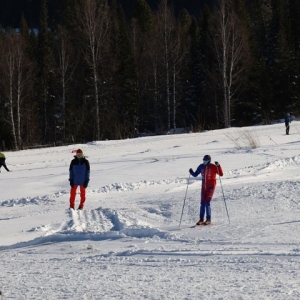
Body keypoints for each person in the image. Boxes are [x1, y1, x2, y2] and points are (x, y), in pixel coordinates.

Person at [189, 154, 223, 225]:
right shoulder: (201, 166)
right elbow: (195, 174)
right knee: (202, 203)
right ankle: (201, 219)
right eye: (203, 160)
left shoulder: (213, 166)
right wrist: (191, 172)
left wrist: (218, 166)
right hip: (204, 188)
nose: (204, 162)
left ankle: (208, 219)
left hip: (211, 187)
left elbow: (221, 174)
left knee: (207, 202)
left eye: (206, 161)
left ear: (209, 161)